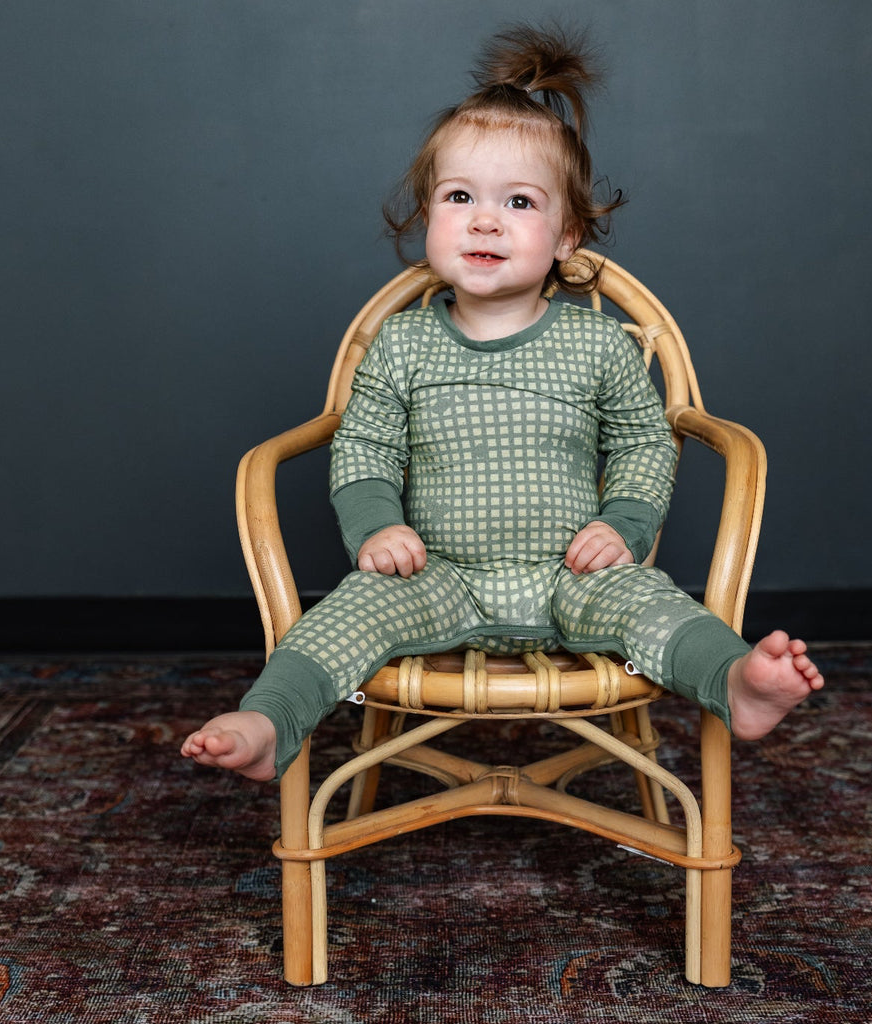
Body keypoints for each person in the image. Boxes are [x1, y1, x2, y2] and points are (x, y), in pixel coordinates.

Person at [181, 25, 823, 783]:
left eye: (518, 201)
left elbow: (646, 443)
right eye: (460, 197)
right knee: (348, 612)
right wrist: (377, 525)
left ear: (566, 235)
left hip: (572, 573)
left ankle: (736, 683)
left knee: (653, 601)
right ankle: (270, 719)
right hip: (439, 573)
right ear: (427, 217)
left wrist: (621, 526)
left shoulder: (601, 345)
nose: (485, 219)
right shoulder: (403, 344)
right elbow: (365, 448)